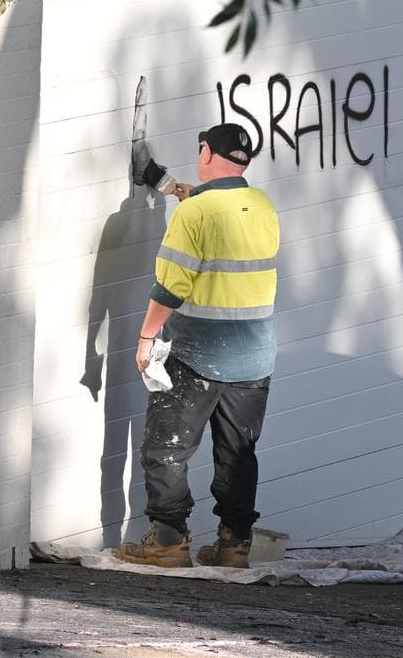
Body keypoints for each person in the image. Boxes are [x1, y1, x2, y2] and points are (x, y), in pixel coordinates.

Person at [115, 122, 280, 569]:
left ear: (206, 152)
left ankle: (168, 543)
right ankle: (234, 545)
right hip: (254, 356)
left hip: (199, 353)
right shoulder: (262, 206)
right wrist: (174, 189)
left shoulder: (195, 215)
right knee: (237, 454)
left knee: (166, 448)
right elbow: (221, 222)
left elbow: (171, 288)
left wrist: (146, 338)